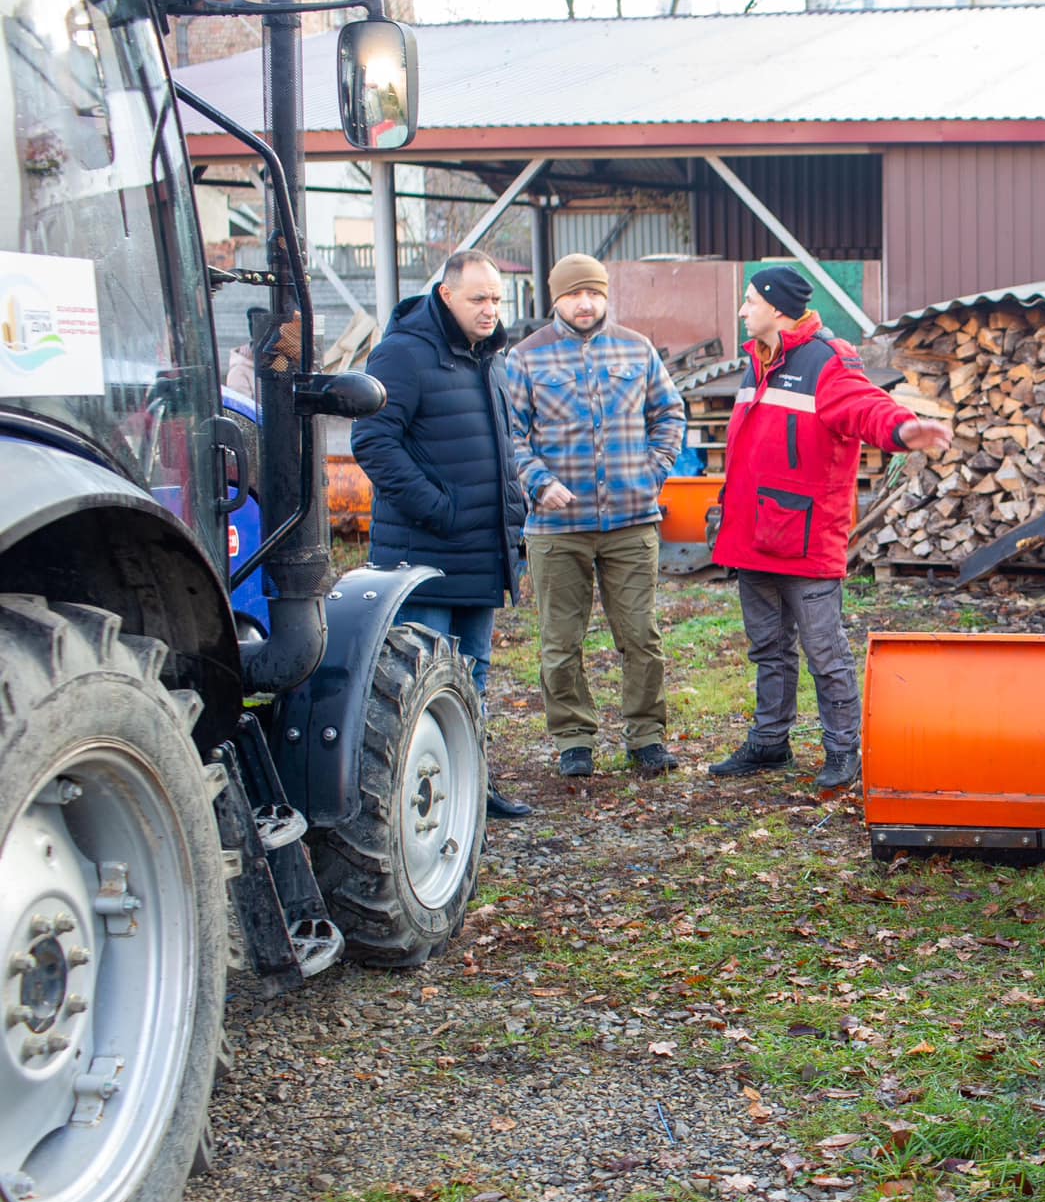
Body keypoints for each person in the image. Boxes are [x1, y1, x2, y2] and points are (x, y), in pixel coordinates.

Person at [708, 267, 953, 793]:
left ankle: (843, 750)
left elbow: (865, 405)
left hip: (804, 537)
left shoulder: (826, 359)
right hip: (754, 535)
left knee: (825, 651)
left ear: (776, 308)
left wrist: (903, 429)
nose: (742, 310)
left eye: (748, 301)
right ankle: (770, 741)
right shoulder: (758, 360)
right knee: (768, 647)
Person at [352, 249, 533, 819]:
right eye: (479, 299)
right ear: (447, 295)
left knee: (472, 675)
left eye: (497, 300)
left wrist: (511, 510)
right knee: (419, 684)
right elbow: (373, 441)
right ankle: (414, 800)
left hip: (481, 554)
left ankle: (471, 784)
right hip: (425, 556)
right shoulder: (404, 354)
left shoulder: (489, 358)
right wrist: (440, 508)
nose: (490, 310)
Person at [505, 253, 692, 779]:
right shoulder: (526, 357)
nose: (584, 303)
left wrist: (653, 471)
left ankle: (646, 736)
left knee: (641, 635)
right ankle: (574, 739)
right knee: (560, 642)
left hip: (631, 522)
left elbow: (669, 412)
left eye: (593, 293)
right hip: (557, 529)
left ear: (606, 295)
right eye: (573, 294)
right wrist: (540, 483)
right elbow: (511, 436)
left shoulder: (636, 348)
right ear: (555, 298)